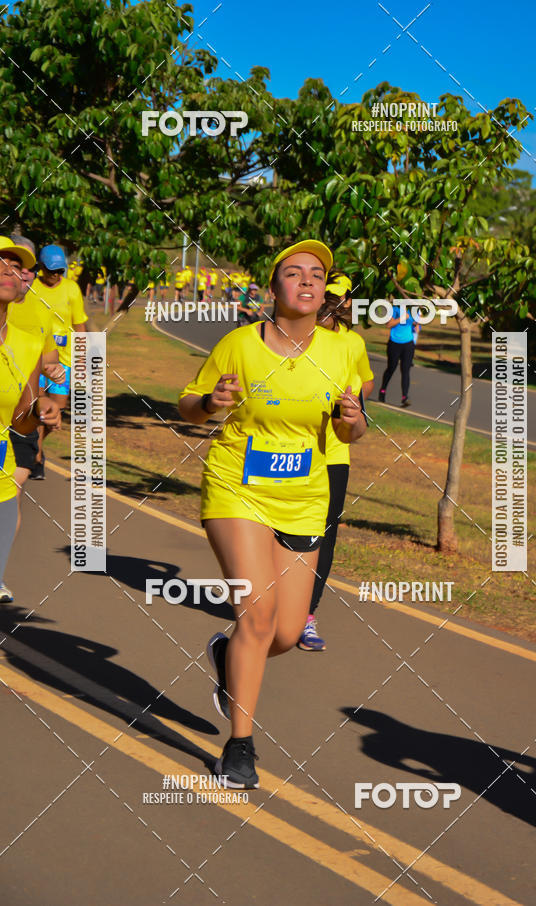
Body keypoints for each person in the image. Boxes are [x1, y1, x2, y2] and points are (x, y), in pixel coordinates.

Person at [178, 240, 366, 789]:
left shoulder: (343, 351)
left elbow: (349, 431)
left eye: (316, 274)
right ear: (273, 288)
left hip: (305, 496)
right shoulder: (239, 344)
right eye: (293, 273)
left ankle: (227, 653)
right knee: (256, 617)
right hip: (237, 487)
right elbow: (186, 405)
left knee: (284, 633)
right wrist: (210, 402)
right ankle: (239, 746)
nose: (306, 281)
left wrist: (354, 420)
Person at [298, 270, 374, 651]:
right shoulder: (295, 334)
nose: (333, 302)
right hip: (291, 451)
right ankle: (278, 604)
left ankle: (306, 615)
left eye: (337, 297)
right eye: (329, 294)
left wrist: (350, 408)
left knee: (323, 537)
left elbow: (363, 390)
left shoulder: (353, 344)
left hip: (333, 455)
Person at [0, 237, 60, 603]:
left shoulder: (25, 343)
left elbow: (19, 419)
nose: (7, 268)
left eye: (13, 263)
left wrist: (40, 411)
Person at [7, 236, 64, 495]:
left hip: (17, 420)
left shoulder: (41, 309)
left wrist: (51, 371)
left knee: (11, 492)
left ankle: (38, 453)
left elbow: (47, 360)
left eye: (20, 266)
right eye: (4, 263)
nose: (20, 272)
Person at [29, 245, 88, 476]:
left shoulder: (72, 289)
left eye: (60, 271)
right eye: (51, 270)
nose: (55, 275)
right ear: (41, 267)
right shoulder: (32, 287)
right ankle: (37, 455)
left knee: (58, 409)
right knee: (40, 405)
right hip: (38, 358)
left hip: (64, 360)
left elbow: (79, 325)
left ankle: (36, 445)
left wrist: (82, 356)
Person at [378, 301, 416, 407]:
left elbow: (416, 323)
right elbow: (389, 324)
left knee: (405, 370)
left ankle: (405, 397)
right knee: (391, 368)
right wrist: (402, 317)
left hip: (408, 344)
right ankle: (382, 390)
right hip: (394, 343)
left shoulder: (413, 309)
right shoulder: (395, 309)